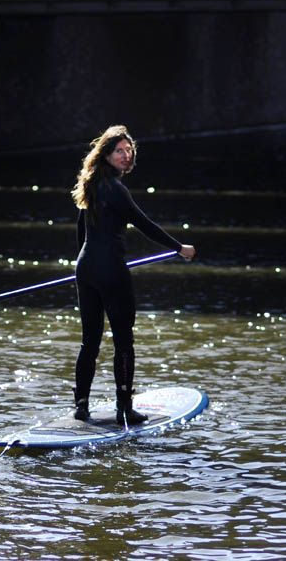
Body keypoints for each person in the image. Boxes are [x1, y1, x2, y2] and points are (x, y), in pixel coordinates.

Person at [70, 125, 195, 426]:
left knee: (90, 342)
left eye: (129, 151)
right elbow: (144, 224)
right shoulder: (116, 189)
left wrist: (84, 263)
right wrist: (179, 247)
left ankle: (81, 406)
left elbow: (81, 228)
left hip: (85, 269)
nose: (126, 156)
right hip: (111, 270)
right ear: (107, 155)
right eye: (119, 151)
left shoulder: (92, 184)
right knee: (124, 342)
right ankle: (124, 408)